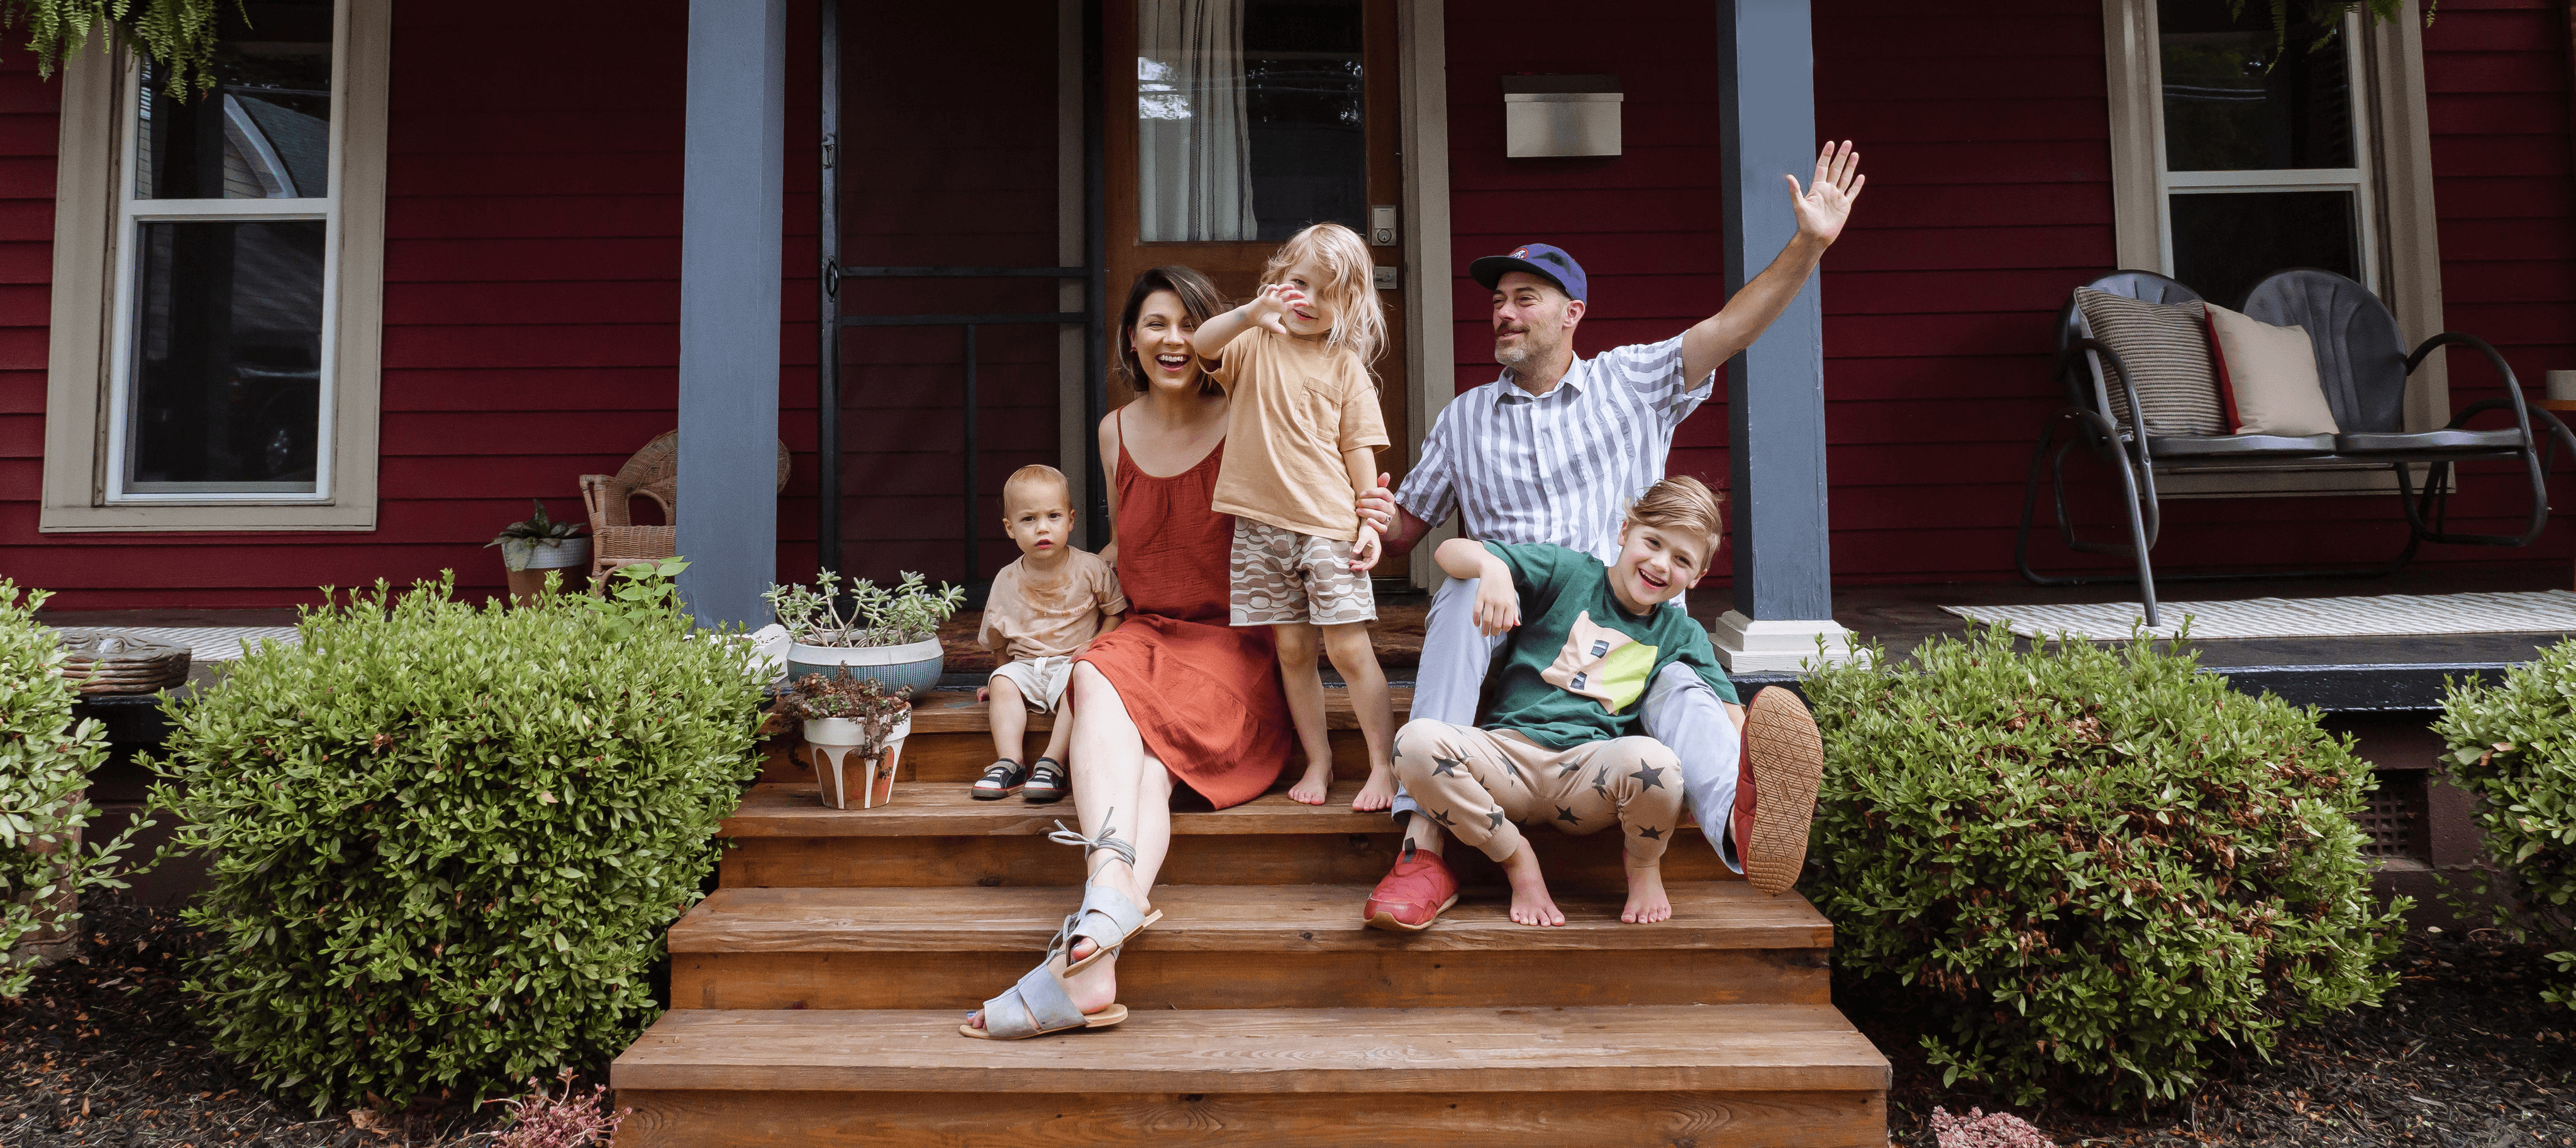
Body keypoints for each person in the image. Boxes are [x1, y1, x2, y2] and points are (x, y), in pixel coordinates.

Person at [1358, 141, 1866, 930]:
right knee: (1460, 589)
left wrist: (1808, 244)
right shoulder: (1462, 419)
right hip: (1512, 622)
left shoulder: (1630, 380)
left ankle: (1742, 815)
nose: (1503, 311)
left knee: (1679, 679)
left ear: (1573, 315)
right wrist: (1358, 506)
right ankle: (1424, 842)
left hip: (1626, 620)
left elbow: (1734, 326)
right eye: (1498, 299)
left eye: (1525, 297)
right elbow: (1405, 533)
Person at [961, 266, 1296, 1040]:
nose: (1173, 339)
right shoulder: (1115, 431)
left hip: (1230, 643)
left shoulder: (1247, 412)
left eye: (1189, 322)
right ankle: (1098, 942)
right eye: (1155, 322)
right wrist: (1035, 648)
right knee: (1098, 682)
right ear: (1131, 338)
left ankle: (1091, 933)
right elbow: (1126, 542)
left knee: (1111, 696)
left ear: (1213, 334)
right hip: (1147, 633)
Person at [1394, 477, 1738, 928]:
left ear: (1697, 576)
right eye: (1652, 542)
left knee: (1659, 765)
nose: (1659, 564)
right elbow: (1448, 553)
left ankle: (1643, 866)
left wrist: (1757, 770)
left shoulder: (1680, 633)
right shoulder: (1568, 571)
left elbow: (1730, 715)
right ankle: (1518, 860)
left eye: (1681, 560)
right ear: (1624, 530)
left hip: (1588, 776)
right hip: (1506, 761)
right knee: (1414, 744)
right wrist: (1492, 566)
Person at [1187, 222, 1400, 812]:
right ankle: (1320, 759)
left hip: (1328, 528)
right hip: (1258, 529)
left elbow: (1358, 448)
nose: (1309, 300)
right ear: (1279, 280)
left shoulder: (1344, 366)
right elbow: (1204, 344)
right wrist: (1250, 314)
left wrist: (1367, 523)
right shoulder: (1253, 342)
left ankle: (1383, 764)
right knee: (1292, 651)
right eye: (1299, 282)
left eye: (1329, 293)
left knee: (1350, 651)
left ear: (1352, 305)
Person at [969, 464, 1127, 803]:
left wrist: (1095, 645)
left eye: (1053, 516)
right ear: (1010, 529)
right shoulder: (1005, 580)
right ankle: (1009, 763)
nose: (1043, 527)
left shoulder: (1090, 568)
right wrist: (999, 676)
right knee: (1002, 682)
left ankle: (1053, 762)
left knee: (1083, 680)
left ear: (1070, 521)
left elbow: (1116, 612)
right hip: (1026, 666)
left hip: (1072, 662)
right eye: (1029, 520)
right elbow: (1000, 639)